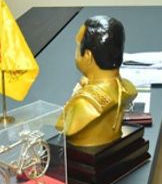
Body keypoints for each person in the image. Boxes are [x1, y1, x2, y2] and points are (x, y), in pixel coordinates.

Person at [58, 16, 137, 147]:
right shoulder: (127, 88)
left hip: (84, 149)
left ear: (88, 56)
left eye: (77, 47)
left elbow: (64, 126)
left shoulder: (84, 104)